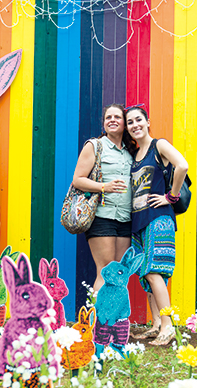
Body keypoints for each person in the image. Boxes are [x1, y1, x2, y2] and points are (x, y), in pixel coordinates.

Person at [126, 106, 188, 346]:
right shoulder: (135, 154)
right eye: (130, 122)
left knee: (154, 271)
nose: (135, 125)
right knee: (147, 274)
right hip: (139, 221)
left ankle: (168, 326)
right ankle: (156, 325)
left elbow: (182, 165)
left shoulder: (158, 145)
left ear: (148, 122)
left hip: (158, 219)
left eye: (138, 120)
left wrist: (171, 197)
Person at [72, 104, 138, 292]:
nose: (112, 120)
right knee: (105, 270)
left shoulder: (131, 151)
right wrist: (104, 187)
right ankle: (97, 312)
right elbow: (78, 180)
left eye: (117, 117)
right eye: (108, 117)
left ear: (124, 124)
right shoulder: (95, 146)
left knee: (119, 271)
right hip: (102, 216)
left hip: (125, 218)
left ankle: (114, 311)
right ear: (103, 123)